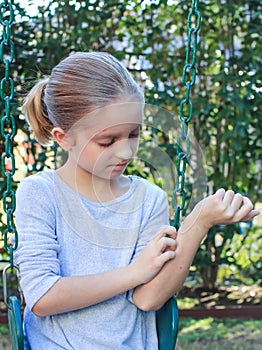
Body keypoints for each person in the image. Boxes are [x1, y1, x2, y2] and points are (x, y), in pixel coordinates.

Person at [15, 52, 259, 350]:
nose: (126, 152)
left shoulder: (148, 199)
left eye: (134, 133)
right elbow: (42, 297)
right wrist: (132, 273)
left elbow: (147, 299)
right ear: (63, 137)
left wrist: (200, 220)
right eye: (107, 141)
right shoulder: (40, 193)